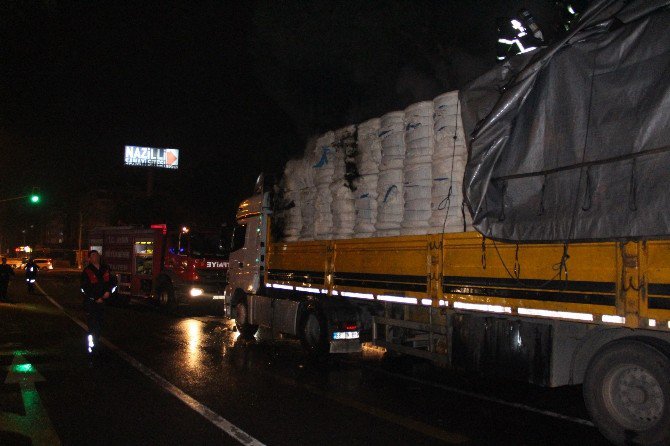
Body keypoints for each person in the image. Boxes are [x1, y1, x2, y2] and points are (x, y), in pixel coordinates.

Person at [80, 250, 113, 353]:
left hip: (103, 302)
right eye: (93, 255)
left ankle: (97, 340)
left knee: (100, 322)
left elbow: (112, 283)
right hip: (91, 303)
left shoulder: (105, 269)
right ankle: (92, 344)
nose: (96, 257)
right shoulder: (87, 271)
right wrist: (95, 298)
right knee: (92, 323)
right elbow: (84, 288)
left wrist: (108, 292)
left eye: (97, 255)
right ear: (89, 259)